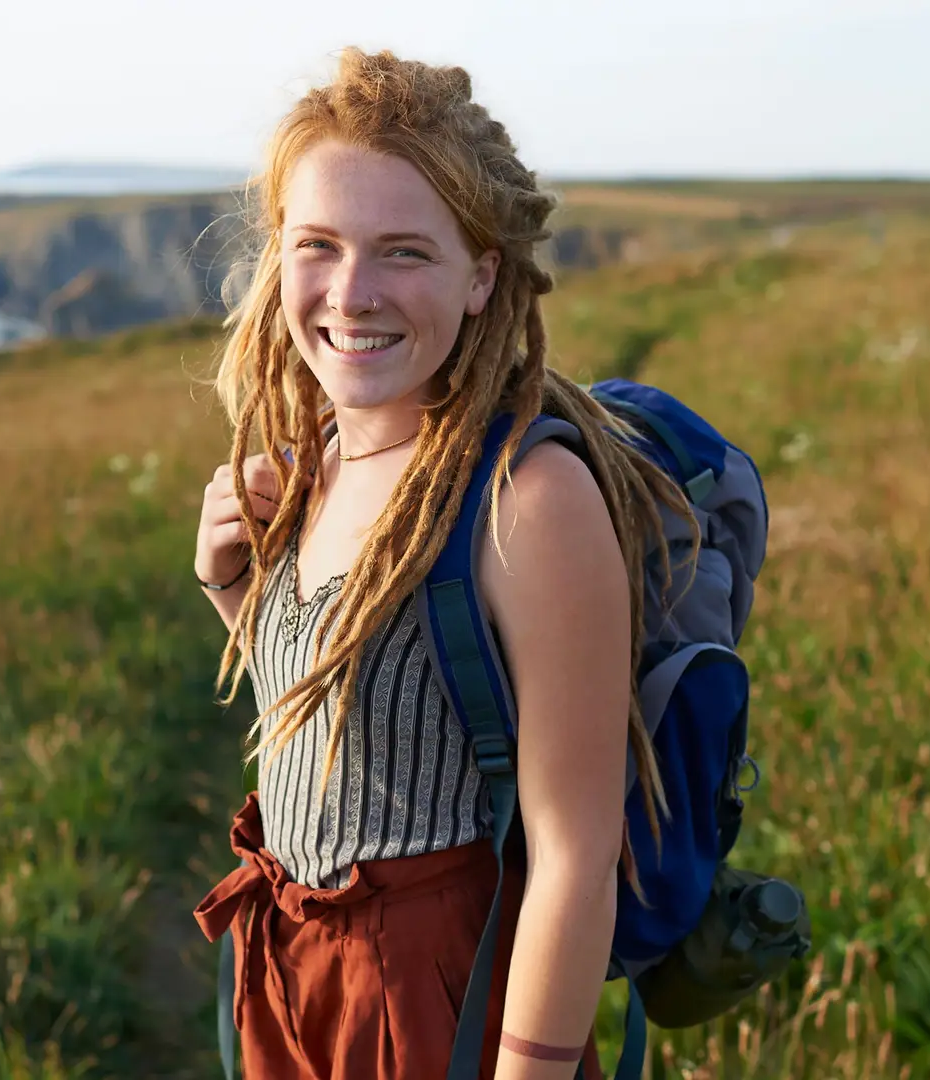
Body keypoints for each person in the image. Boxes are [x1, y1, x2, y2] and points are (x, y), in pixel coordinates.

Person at [190, 47, 697, 1080]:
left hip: (436, 989)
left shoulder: (527, 498)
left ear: (481, 276)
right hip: (290, 962)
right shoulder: (322, 451)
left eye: (405, 252)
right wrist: (236, 589)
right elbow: (370, 707)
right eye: (317, 244)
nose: (352, 291)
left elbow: (572, 856)